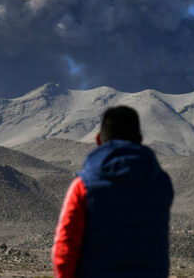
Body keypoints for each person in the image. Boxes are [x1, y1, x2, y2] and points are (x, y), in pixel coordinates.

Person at [51, 105, 174, 277]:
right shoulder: (161, 183)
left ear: (98, 140)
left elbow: (65, 247)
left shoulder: (83, 186)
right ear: (139, 139)